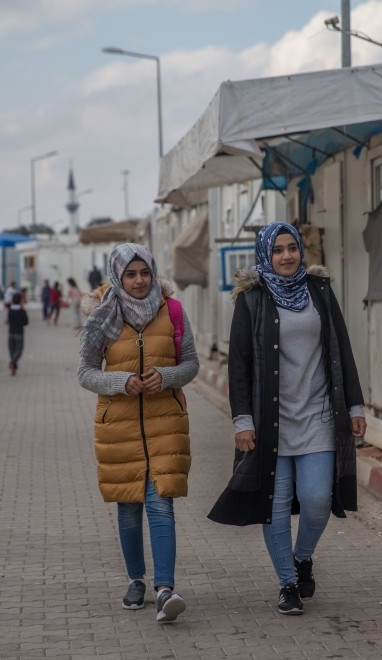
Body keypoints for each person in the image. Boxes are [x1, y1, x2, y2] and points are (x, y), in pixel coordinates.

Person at [208, 221, 366, 616]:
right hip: (269, 422)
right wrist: (241, 420)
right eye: (277, 250)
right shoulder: (251, 299)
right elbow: (239, 364)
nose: (286, 256)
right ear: (266, 254)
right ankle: (287, 583)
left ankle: (302, 556)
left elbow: (340, 349)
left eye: (291, 247)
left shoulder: (319, 291)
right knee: (275, 506)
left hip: (317, 416)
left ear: (300, 250)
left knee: (317, 500)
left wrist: (355, 406)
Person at [76, 243, 199, 624]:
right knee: (129, 507)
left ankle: (165, 590)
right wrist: (119, 381)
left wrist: (167, 376)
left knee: (161, 504)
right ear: (118, 276)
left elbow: (191, 364)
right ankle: (136, 580)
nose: (140, 280)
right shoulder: (101, 317)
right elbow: (85, 372)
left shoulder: (173, 310)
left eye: (144, 272)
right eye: (130, 274)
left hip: (166, 424)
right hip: (120, 427)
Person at [6, 292, 29, 376]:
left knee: (12, 351)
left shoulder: (10, 310)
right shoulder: (22, 311)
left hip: (11, 332)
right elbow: (26, 322)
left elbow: (8, 320)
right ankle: (12, 363)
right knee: (19, 350)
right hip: (19, 333)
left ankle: (13, 368)